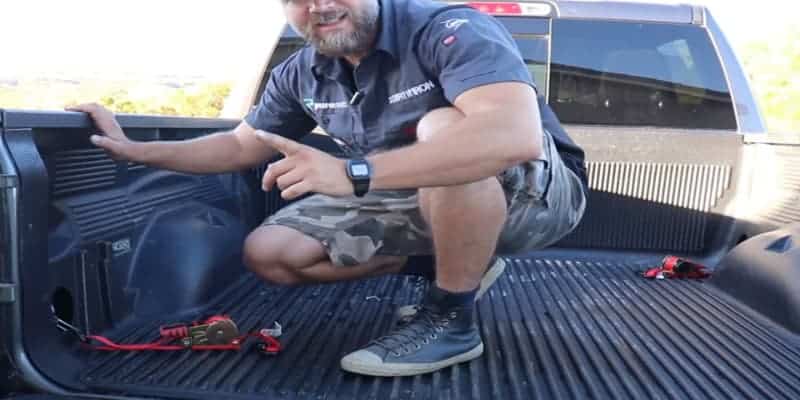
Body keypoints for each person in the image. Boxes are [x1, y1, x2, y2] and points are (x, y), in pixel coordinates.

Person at [69, 0, 587, 377]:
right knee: (271, 253)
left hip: (537, 194)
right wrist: (136, 150)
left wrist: (352, 173)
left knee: (444, 128)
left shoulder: (448, 28)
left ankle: (452, 319)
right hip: (425, 194)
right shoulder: (302, 72)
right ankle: (455, 263)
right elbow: (237, 147)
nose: (319, 5)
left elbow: (510, 137)